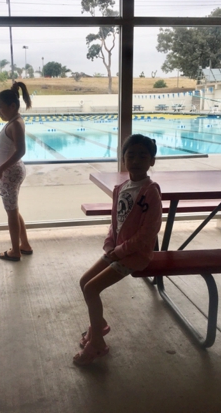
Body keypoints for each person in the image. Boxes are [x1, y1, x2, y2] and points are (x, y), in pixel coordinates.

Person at [73, 134, 162, 366]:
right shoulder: (121, 188)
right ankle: (98, 326)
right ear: (123, 159)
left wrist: (120, 251)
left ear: (152, 161)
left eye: (143, 156)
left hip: (136, 255)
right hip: (119, 251)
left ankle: (98, 344)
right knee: (84, 281)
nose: (136, 160)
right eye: (130, 155)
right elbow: (115, 224)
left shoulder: (150, 191)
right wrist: (110, 246)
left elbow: (147, 235)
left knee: (91, 289)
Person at [0, 82, 33, 262]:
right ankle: (24, 244)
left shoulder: (15, 124)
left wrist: (0, 169)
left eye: (0, 108)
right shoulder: (14, 121)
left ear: (12, 106)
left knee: (11, 213)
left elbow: (20, 151)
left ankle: (15, 251)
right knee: (13, 210)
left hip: (9, 173)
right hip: (12, 172)